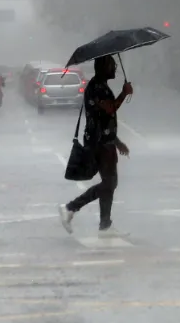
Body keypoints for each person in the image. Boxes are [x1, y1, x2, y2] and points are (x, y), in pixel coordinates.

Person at [59, 55, 133, 233]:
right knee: (109, 183)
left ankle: (105, 224)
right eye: (111, 65)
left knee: (110, 182)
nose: (115, 68)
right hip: (99, 143)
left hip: (105, 141)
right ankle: (71, 208)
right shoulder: (96, 88)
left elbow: (104, 119)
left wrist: (117, 142)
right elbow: (110, 108)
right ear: (102, 68)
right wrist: (124, 93)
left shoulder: (101, 86)